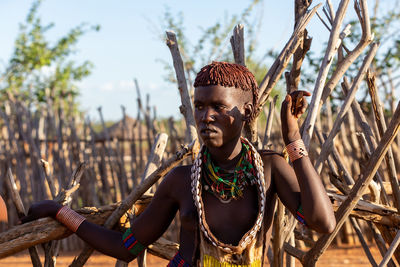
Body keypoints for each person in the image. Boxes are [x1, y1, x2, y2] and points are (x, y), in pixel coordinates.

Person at [22, 62, 336, 266]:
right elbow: (125, 246)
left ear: (247, 110)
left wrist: (293, 138)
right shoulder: (181, 181)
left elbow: (322, 223)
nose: (205, 116)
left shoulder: (269, 170)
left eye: (217, 106)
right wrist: (59, 211)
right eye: (199, 106)